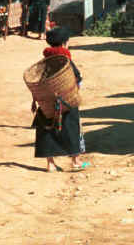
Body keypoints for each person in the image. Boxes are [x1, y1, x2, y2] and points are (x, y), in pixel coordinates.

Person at [31, 26, 88, 172]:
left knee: (46, 130)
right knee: (71, 127)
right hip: (66, 101)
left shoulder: (44, 61)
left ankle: (50, 164)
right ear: (64, 43)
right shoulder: (66, 59)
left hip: (46, 101)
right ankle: (76, 161)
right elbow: (77, 80)